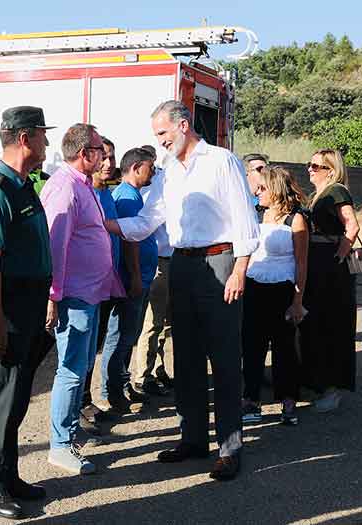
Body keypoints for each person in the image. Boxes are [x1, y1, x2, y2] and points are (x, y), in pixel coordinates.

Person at [105, 100, 259, 481]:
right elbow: (145, 222)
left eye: (162, 134)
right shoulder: (169, 172)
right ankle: (193, 439)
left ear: (184, 125)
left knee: (223, 358)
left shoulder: (222, 161)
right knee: (186, 358)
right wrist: (97, 221)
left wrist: (239, 270)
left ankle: (229, 448)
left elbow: (245, 220)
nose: (159, 143)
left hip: (221, 261)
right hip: (182, 265)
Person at [0, 106, 53, 520]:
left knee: (17, 399)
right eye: (41, 134)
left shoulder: (23, 185)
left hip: (29, 307)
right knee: (1, 400)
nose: (46, 142)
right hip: (9, 312)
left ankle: (8, 474)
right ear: (24, 138)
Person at [41, 123, 124, 475]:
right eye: (98, 149)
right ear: (83, 153)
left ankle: (69, 436)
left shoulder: (83, 184)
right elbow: (55, 246)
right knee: (72, 371)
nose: (104, 156)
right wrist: (53, 296)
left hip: (89, 294)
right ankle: (60, 446)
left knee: (80, 367)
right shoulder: (64, 188)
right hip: (73, 296)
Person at [241, 166, 309, 426]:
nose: (257, 192)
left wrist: (298, 300)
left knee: (284, 348)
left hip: (283, 289)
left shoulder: (296, 219)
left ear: (276, 190)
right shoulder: (256, 215)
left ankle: (288, 400)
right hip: (253, 286)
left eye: (262, 188)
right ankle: (251, 399)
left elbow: (302, 263)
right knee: (252, 346)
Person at [299, 149, 359, 412]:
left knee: (331, 324)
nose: (310, 169)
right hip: (318, 262)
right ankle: (320, 383)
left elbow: (352, 225)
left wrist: (339, 255)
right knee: (317, 323)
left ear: (330, 170)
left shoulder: (337, 191)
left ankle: (332, 388)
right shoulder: (320, 195)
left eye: (315, 166)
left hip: (329, 266)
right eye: (309, 164)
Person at [99, 147, 157, 412]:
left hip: (140, 277)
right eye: (150, 167)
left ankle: (121, 386)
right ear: (135, 168)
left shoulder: (133, 195)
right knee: (120, 335)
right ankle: (111, 391)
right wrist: (134, 276)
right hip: (131, 279)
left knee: (128, 334)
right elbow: (129, 238)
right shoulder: (125, 197)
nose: (153, 172)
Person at [80, 136, 120, 433]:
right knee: (81, 349)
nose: (108, 164)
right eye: (103, 157)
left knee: (94, 345)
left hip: (107, 282)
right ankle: (78, 406)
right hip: (86, 285)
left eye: (111, 158)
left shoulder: (107, 193)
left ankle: (87, 399)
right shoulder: (83, 193)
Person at [132, 144, 174, 396]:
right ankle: (142, 376)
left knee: (164, 324)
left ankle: (156, 369)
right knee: (153, 322)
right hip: (160, 260)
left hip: (171, 260)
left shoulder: (162, 189)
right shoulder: (153, 193)